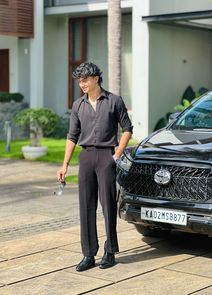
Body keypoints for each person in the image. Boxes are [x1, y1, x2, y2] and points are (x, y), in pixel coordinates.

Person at [57, 62, 133, 271]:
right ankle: (88, 254)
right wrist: (64, 165)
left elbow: (127, 129)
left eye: (85, 79)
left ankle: (110, 251)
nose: (81, 84)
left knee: (108, 205)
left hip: (107, 156)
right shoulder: (78, 105)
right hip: (86, 157)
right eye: (79, 80)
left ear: (96, 79)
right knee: (86, 206)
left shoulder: (114, 101)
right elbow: (72, 136)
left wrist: (116, 155)